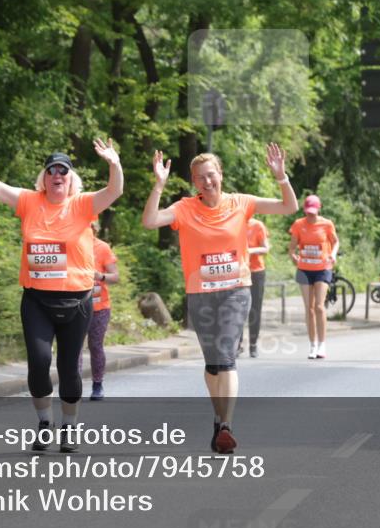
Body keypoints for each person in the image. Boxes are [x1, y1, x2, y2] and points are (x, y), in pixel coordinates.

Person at [0, 130, 123, 453]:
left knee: (68, 367)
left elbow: (114, 190)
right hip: (37, 298)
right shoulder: (29, 201)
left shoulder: (82, 205)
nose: (56, 176)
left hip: (77, 300)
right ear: (44, 178)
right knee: (38, 362)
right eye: (51, 171)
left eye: (63, 171)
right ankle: (43, 422)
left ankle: (69, 426)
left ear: (71, 179)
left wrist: (114, 163)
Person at [142, 145, 297, 454]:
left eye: (211, 175)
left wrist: (281, 177)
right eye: (200, 178)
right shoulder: (185, 208)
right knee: (212, 364)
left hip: (236, 291)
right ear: (194, 182)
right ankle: (218, 419)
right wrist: (158, 185)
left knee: (226, 357)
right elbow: (149, 221)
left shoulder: (241, 203)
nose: (207, 182)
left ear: (220, 175)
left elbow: (288, 207)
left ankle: (226, 426)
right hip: (200, 295)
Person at [289, 195, 339, 360]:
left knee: (319, 306)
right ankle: (312, 344)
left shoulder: (326, 224)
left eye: (313, 212)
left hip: (322, 268)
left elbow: (336, 242)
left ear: (319, 209)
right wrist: (293, 255)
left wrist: (332, 254)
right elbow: (292, 247)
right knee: (309, 308)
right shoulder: (298, 224)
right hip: (304, 269)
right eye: (308, 212)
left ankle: (322, 344)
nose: (310, 216)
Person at [85, 221, 118, 401]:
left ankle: (98, 385)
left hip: (99, 307)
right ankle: (72, 385)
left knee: (95, 345)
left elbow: (115, 276)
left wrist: (101, 276)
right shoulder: (69, 245)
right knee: (73, 348)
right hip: (75, 306)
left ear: (94, 229)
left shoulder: (102, 248)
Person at [242, 218, 270, 358]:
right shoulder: (232, 223)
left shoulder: (257, 225)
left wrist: (250, 250)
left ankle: (253, 345)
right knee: (237, 309)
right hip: (238, 271)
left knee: (255, 309)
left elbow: (266, 248)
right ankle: (237, 344)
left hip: (256, 271)